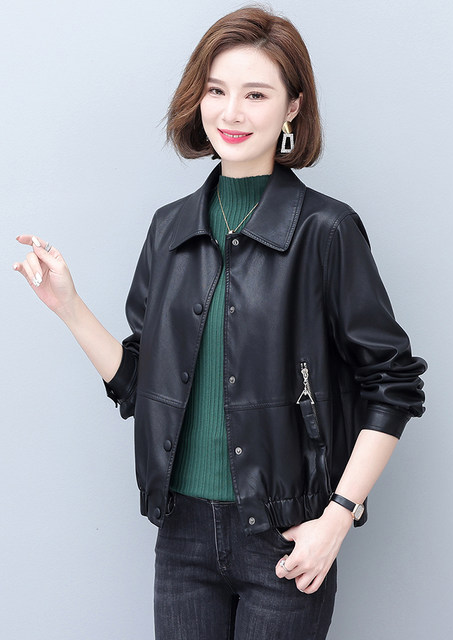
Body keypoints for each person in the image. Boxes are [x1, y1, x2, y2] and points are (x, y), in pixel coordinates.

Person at [13, 7, 426, 639]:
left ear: (292, 107)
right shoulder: (170, 228)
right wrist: (69, 307)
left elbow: (393, 384)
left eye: (255, 94)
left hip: (286, 536)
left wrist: (338, 517)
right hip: (181, 537)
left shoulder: (326, 230)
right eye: (216, 90)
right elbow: (141, 385)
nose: (231, 113)